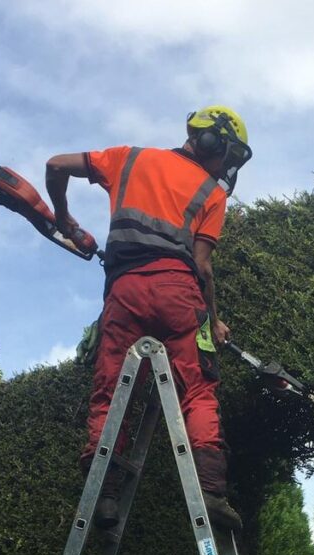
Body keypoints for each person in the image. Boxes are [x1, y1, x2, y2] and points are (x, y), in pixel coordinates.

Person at [45, 106, 252, 532]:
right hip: (179, 294)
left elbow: (55, 165)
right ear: (210, 141)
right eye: (225, 155)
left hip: (124, 295)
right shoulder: (212, 194)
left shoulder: (129, 158)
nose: (224, 166)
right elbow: (203, 267)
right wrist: (214, 320)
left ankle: (104, 495)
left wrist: (62, 215)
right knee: (197, 389)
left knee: (110, 390)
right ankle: (211, 492)